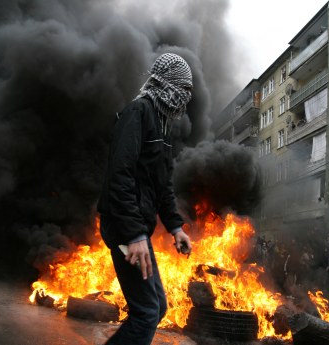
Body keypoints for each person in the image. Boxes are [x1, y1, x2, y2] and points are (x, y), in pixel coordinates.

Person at [98, 53, 193, 345]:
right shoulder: (137, 112)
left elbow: (161, 184)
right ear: (168, 85)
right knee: (147, 312)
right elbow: (120, 175)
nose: (186, 97)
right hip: (125, 229)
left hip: (137, 230)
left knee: (158, 307)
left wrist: (176, 227)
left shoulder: (162, 125)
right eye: (183, 89)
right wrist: (135, 233)